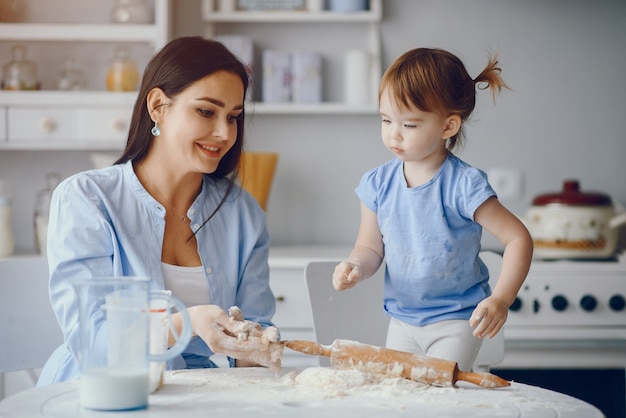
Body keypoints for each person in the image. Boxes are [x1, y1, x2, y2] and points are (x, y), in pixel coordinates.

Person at [38, 36, 282, 385]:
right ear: (158, 106)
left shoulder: (244, 214)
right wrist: (188, 322)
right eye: (206, 111)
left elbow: (255, 334)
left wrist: (258, 349)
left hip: (195, 396)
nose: (224, 132)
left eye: (233, 116)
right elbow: (93, 340)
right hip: (98, 391)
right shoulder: (87, 199)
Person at [332, 48, 533, 372]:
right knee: (404, 398)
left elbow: (518, 238)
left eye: (409, 125)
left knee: (436, 397)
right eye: (385, 120)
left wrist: (501, 299)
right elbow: (369, 247)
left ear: (448, 126)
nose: (393, 133)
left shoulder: (464, 185)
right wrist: (355, 265)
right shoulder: (377, 184)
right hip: (401, 322)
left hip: (457, 320)